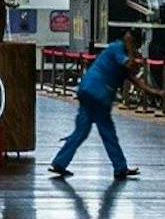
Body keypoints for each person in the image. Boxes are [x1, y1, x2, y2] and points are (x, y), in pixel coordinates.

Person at [52, 37, 135, 179]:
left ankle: (60, 162)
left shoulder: (111, 51)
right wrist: (131, 48)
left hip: (86, 90)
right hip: (99, 94)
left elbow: (133, 77)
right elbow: (128, 64)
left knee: (81, 131)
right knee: (108, 132)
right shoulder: (118, 49)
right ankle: (120, 167)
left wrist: (157, 92)